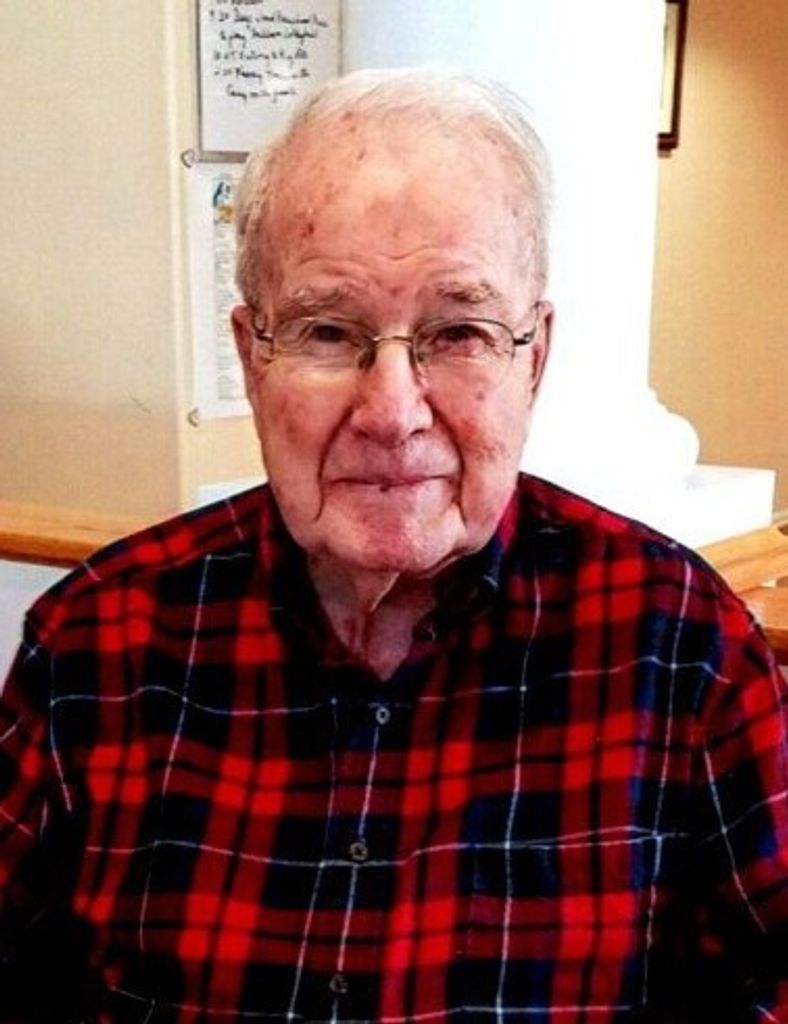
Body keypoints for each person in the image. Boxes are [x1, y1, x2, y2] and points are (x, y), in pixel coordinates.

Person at [1, 68, 786, 1024]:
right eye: (329, 331)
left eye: (459, 332)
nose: (393, 411)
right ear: (253, 358)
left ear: (533, 360)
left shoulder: (683, 647)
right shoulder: (97, 642)